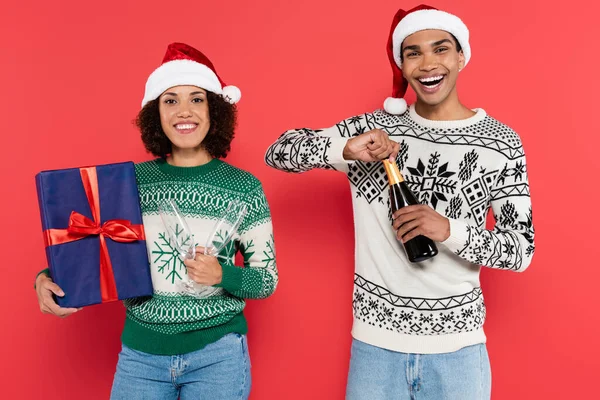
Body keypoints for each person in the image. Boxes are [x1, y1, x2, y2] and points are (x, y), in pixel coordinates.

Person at [265, 5, 534, 399]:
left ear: (461, 56)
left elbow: (521, 250)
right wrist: (345, 148)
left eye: (440, 49)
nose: (428, 63)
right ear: (402, 64)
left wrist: (449, 229)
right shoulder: (375, 130)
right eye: (413, 53)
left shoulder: (501, 144)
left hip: (458, 351)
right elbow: (279, 151)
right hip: (375, 349)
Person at [35, 42, 278, 400]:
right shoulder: (129, 183)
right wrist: (46, 278)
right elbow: (92, 243)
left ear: (214, 110)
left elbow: (266, 280)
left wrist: (222, 274)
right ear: (155, 113)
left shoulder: (245, 188)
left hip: (218, 357)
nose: (185, 111)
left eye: (197, 99)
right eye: (170, 100)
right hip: (141, 358)